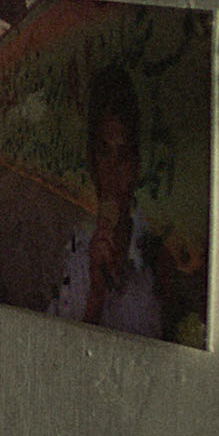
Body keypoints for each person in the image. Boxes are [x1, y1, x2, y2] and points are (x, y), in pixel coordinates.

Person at [45, 64, 167, 336]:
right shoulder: (75, 252)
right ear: (92, 162)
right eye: (104, 154)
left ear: (136, 165)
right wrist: (96, 295)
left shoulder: (156, 258)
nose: (112, 172)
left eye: (122, 157)